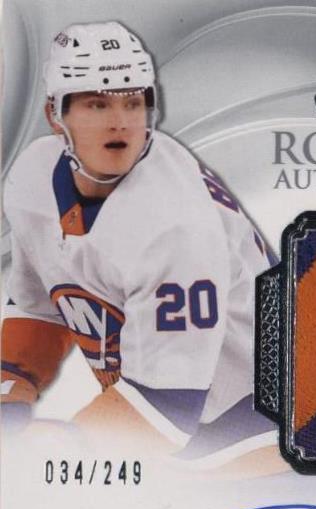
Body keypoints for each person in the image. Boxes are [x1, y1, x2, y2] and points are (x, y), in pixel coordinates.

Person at [1, 20, 282, 466]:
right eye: (97, 104)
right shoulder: (32, 179)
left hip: (256, 424)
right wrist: (11, 385)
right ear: (56, 115)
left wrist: (50, 454)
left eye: (133, 102)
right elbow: (42, 308)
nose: (120, 123)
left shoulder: (173, 224)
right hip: (167, 409)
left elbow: (165, 409)